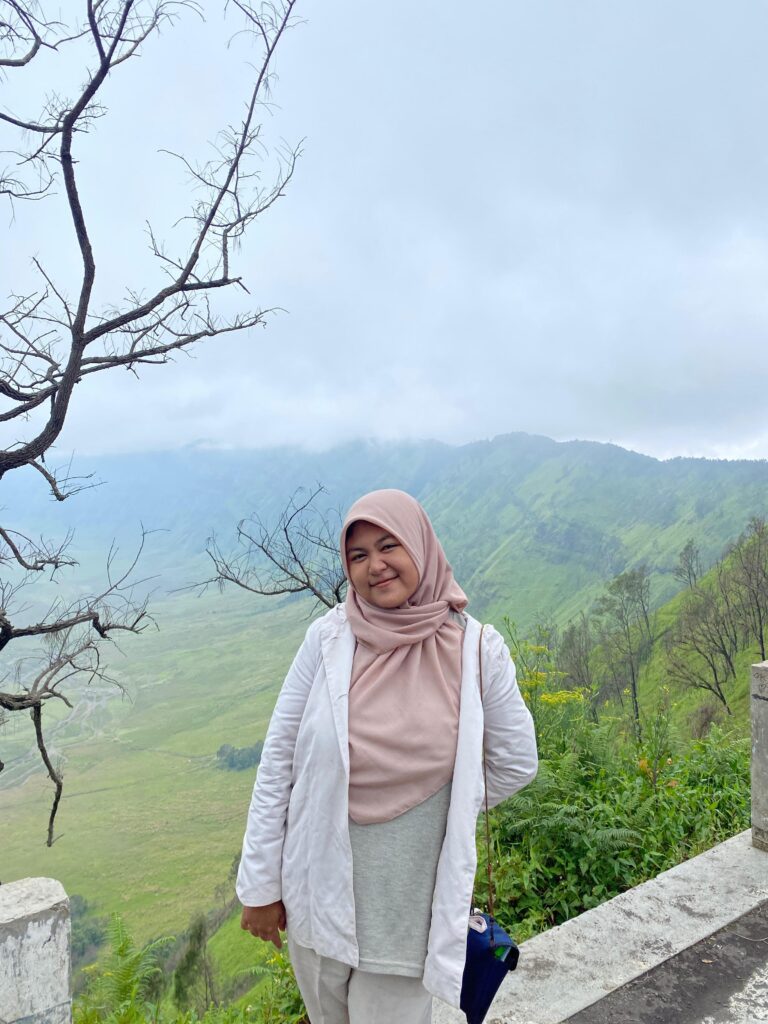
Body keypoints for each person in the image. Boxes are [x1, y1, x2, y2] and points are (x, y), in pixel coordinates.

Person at [236, 489, 538, 1024]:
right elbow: (279, 762)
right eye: (358, 555)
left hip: (408, 912)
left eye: (389, 546)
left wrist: (445, 810)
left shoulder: (477, 650)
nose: (375, 566)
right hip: (317, 896)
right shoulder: (327, 639)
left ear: (420, 546)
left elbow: (515, 761)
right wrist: (260, 888)